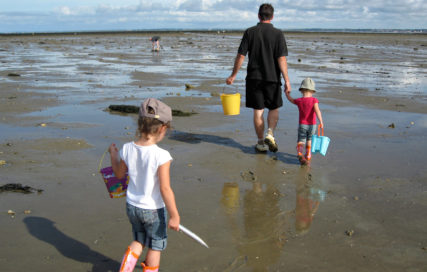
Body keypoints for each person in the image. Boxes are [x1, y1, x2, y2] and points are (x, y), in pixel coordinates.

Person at [109, 98, 180, 272]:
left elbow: (118, 175)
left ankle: (125, 269)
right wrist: (174, 215)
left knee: (138, 240)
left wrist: (113, 156)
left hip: (132, 206)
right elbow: (165, 189)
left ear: (140, 123)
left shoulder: (126, 148)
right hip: (153, 210)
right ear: (163, 128)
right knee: (156, 245)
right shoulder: (161, 155)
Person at [226, 3, 291, 153]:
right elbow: (282, 59)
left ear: (258, 16)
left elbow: (241, 56)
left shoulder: (250, 32)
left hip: (254, 78)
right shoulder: (278, 34)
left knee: (258, 110)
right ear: (272, 16)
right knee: (274, 107)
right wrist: (287, 80)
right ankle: (270, 133)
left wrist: (233, 75)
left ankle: (261, 142)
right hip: (273, 78)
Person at [285, 77, 324, 164]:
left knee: (301, 140)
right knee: (309, 139)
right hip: (312, 125)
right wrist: (321, 121)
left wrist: (287, 94)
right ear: (313, 91)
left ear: (301, 90)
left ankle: (299, 152)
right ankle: (308, 154)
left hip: (302, 124)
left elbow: (291, 100)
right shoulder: (314, 100)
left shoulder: (299, 101)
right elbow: (317, 111)